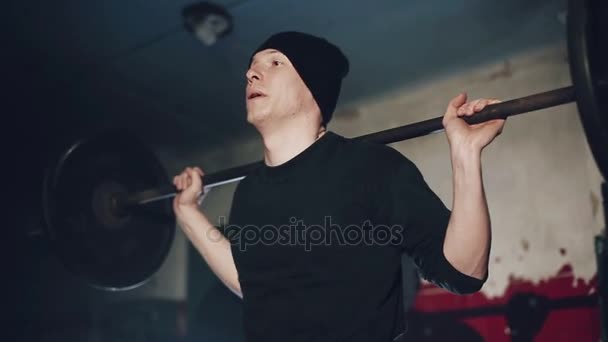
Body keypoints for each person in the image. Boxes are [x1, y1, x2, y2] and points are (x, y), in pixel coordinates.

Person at [172, 31, 505, 342]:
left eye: (275, 62)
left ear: (313, 87)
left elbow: (464, 271)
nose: (252, 74)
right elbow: (251, 284)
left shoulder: (372, 168)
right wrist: (186, 211)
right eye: (251, 68)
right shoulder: (250, 191)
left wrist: (465, 155)